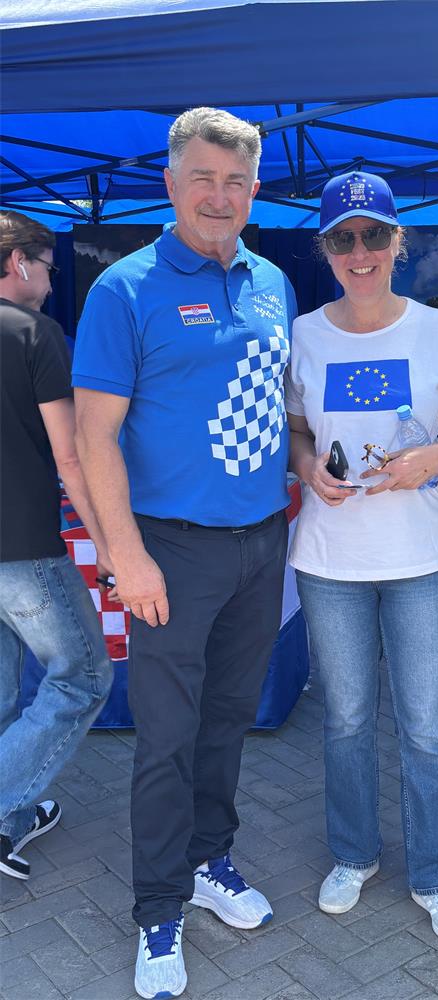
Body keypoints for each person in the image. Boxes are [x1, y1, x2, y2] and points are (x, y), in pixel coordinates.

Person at [73, 108, 296, 1000]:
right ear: (170, 183)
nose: (219, 196)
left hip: (261, 544)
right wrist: (125, 557)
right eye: (202, 177)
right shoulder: (123, 290)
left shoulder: (273, 280)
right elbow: (94, 438)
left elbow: (275, 401)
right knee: (166, 736)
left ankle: (210, 860)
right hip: (169, 549)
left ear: (254, 191)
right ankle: (158, 908)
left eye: (236, 181)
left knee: (228, 719)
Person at [286, 171, 438, 945]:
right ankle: (353, 854)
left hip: (423, 557)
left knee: (427, 727)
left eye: (373, 235)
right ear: (326, 249)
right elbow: (297, 431)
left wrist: (434, 458)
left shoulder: (437, 330)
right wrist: (308, 468)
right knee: (346, 720)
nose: (359, 251)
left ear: (398, 243)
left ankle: (435, 875)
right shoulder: (304, 334)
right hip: (331, 559)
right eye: (344, 238)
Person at [0, 210, 112, 881]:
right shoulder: (34, 333)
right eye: (47, 265)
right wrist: (109, 546)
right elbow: (72, 458)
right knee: (84, 675)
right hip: (22, 547)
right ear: (19, 262)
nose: (50, 279)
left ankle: (13, 814)